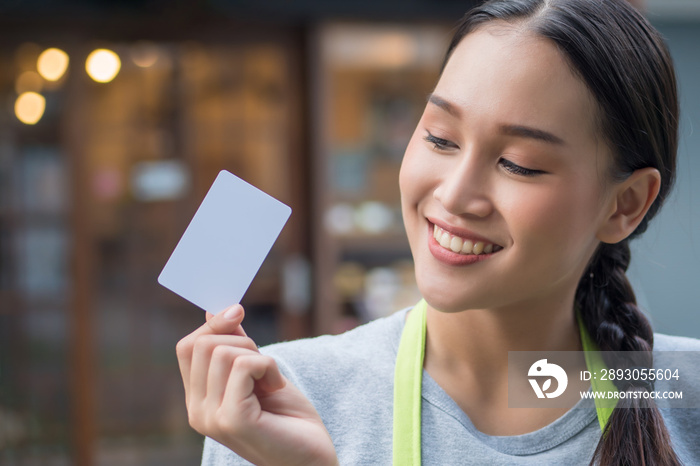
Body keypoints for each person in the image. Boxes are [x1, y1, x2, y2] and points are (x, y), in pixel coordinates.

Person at [176, 0, 700, 464]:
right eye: (440, 138)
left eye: (518, 163)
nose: (452, 195)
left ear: (625, 205)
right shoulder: (281, 402)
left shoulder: (685, 393)